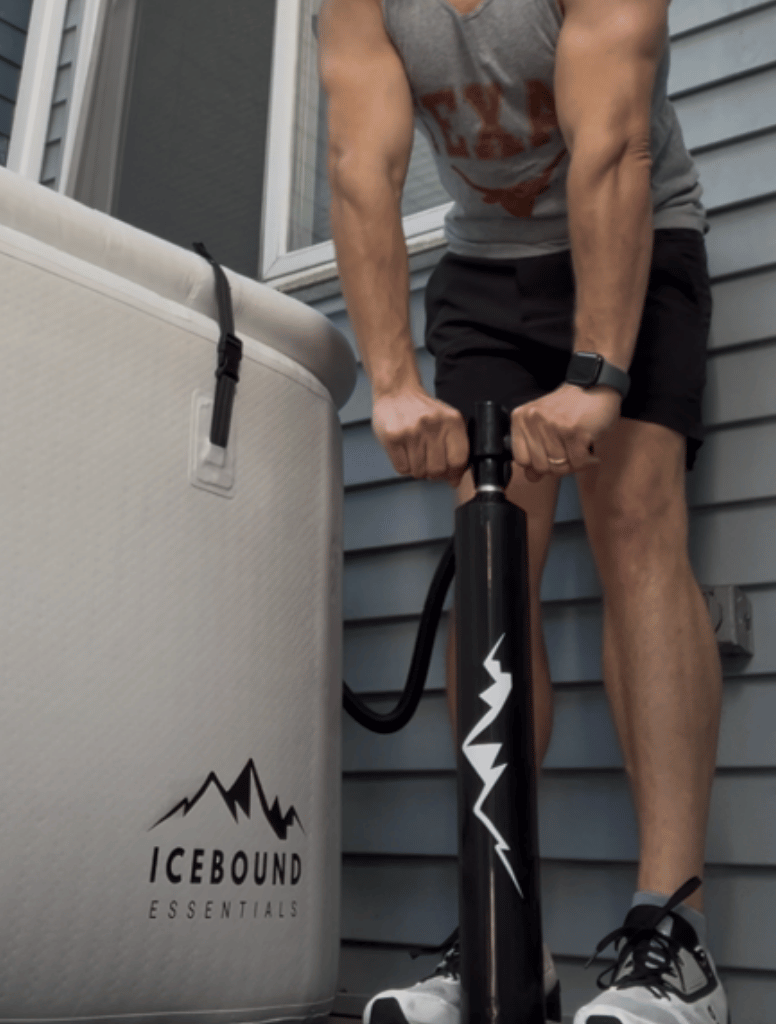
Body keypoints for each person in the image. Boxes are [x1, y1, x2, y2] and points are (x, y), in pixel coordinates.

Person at [318, 0, 727, 1022]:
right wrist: (395, 382)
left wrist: (597, 372)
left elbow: (614, 145)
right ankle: (505, 930)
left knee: (636, 519)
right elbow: (359, 164)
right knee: (492, 552)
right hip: (484, 271)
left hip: (636, 230)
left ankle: (670, 938)